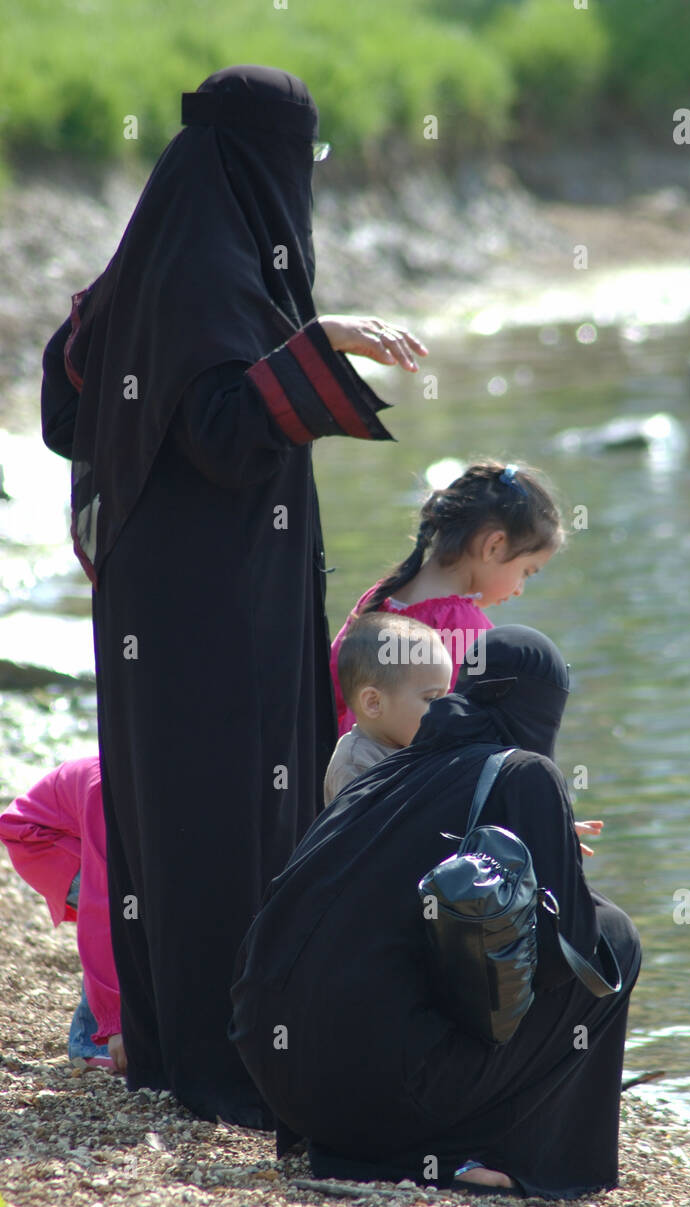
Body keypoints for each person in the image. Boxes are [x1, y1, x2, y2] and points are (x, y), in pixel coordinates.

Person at [39, 66, 426, 1127]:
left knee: (174, 807)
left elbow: (66, 409)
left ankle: (171, 1043)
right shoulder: (216, 272)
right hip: (215, 607)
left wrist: (299, 343)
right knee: (225, 811)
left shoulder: (148, 265)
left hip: (155, 604)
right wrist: (321, 342)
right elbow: (215, 423)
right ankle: (232, 1059)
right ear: (265, 164)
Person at [231, 627, 641, 1199]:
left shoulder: (380, 766)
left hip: (281, 1080)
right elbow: (560, 958)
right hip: (382, 1096)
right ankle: (488, 1151)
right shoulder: (525, 773)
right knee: (613, 937)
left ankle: (383, 1139)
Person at [329, 460, 564, 735]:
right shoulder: (469, 629)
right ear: (494, 546)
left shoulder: (379, 597)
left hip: (346, 763)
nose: (518, 589)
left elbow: (333, 689)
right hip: (408, 776)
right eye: (526, 572)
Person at [0, 757, 125, 1073]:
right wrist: (115, 1024)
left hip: (73, 829)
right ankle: (91, 1041)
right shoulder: (107, 787)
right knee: (122, 916)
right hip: (38, 839)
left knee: (136, 912)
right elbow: (102, 912)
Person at [324, 613, 452, 803]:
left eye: (446, 695)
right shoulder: (355, 763)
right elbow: (366, 829)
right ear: (373, 703)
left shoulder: (416, 742)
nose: (446, 708)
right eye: (432, 698)